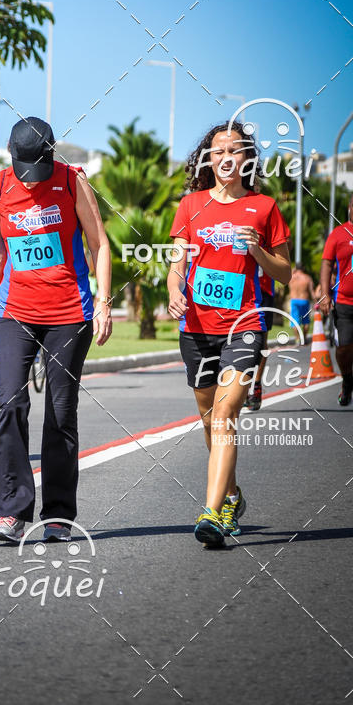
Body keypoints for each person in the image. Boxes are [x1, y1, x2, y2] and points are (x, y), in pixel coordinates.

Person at [0, 116, 112, 544]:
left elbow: (99, 243)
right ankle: (10, 512)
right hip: (13, 310)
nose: (29, 179)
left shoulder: (72, 181)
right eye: (23, 169)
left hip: (69, 312)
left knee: (60, 411)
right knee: (10, 403)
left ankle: (57, 514)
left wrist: (104, 302)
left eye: (36, 169)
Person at [167, 121, 291, 547]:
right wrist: (174, 291)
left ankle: (212, 513)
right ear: (208, 158)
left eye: (235, 150)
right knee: (209, 421)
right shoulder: (191, 205)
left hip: (245, 326)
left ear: (246, 159)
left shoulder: (264, 207)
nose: (226, 157)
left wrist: (257, 250)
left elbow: (284, 272)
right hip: (196, 329)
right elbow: (178, 263)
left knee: (224, 417)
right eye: (218, 150)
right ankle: (232, 497)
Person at [320, 195, 353, 405]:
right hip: (345, 303)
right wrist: (325, 294)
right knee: (343, 347)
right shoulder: (338, 234)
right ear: (350, 207)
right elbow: (326, 264)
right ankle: (347, 380)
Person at [245, 266, 274, 411]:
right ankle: (241, 384)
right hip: (239, 287)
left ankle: (256, 386)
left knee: (261, 340)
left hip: (263, 290)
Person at [288, 263, 315, 344]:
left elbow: (286, 277)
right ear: (303, 268)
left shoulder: (291, 277)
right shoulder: (307, 278)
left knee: (295, 321)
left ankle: (297, 339)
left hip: (294, 301)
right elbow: (312, 292)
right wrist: (316, 301)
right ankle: (304, 338)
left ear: (296, 268)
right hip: (304, 301)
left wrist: (293, 271)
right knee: (306, 321)